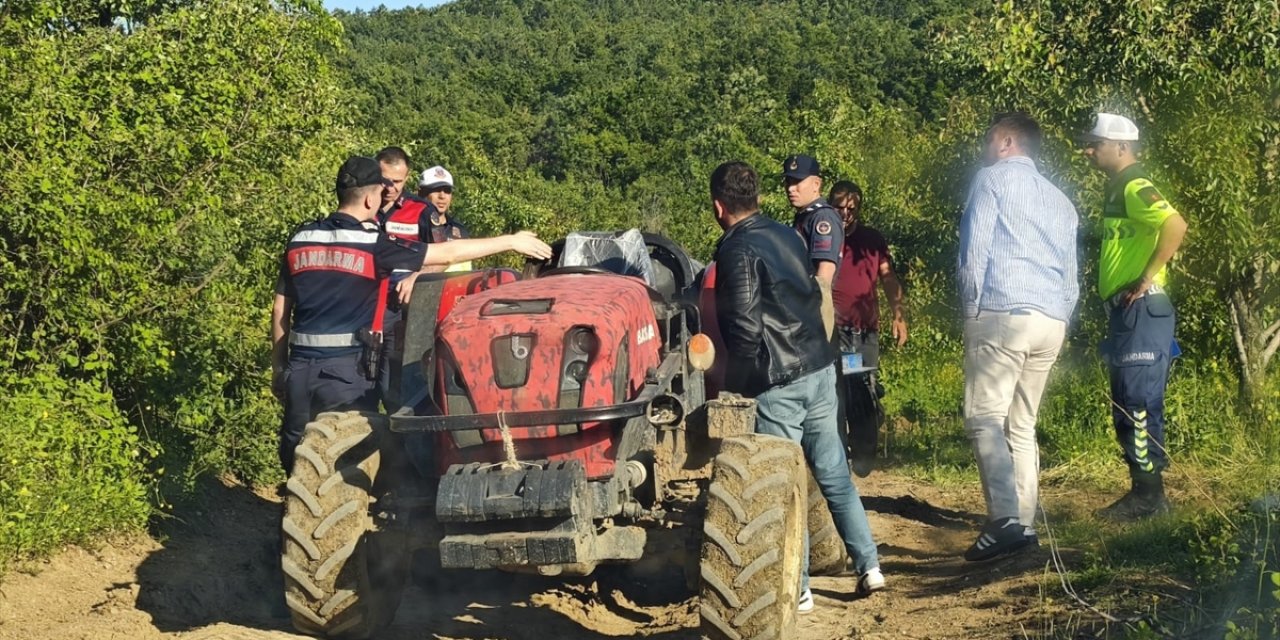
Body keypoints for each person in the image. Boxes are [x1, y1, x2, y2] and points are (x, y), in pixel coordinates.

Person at [271, 156, 552, 473]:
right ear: (368, 198)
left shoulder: (300, 239)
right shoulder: (372, 244)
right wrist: (510, 241)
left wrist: (279, 365)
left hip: (298, 369)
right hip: (345, 376)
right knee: (341, 463)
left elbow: (281, 307)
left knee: (295, 462)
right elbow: (446, 252)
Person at [709, 161, 884, 612]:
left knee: (782, 486)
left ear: (717, 206)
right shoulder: (790, 234)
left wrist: (737, 386)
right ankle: (869, 566)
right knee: (833, 474)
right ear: (759, 197)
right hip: (820, 369)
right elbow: (812, 292)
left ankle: (800, 587)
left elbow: (745, 326)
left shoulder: (737, 248)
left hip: (779, 381)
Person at [957, 113, 1079, 561]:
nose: (985, 148)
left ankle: (1005, 521)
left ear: (1007, 142)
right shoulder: (1061, 200)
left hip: (1003, 310)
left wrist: (971, 311)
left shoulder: (991, 180)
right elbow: (1071, 275)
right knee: (1022, 424)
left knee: (984, 417)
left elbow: (975, 253)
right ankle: (1024, 526)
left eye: (990, 139)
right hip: (1051, 319)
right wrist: (1061, 315)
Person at [1082, 112, 1188, 521]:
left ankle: (1149, 498)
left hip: (1142, 309)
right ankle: (1143, 493)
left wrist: (1145, 278)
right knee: (1128, 401)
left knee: (1138, 403)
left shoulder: (1135, 185)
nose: (1088, 151)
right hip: (1129, 313)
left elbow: (1175, 225)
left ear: (1122, 147)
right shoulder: (1118, 187)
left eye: (1097, 144)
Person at [828, 180, 908, 476]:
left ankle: (864, 448)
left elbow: (888, 277)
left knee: (861, 387)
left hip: (863, 331)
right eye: (839, 206)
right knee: (834, 391)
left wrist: (898, 314)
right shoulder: (823, 236)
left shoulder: (872, 240)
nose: (845, 213)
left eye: (851, 207)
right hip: (830, 331)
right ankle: (835, 456)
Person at [782, 154, 844, 338]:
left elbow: (824, 273)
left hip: (811, 313)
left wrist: (810, 319)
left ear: (816, 184)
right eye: (788, 182)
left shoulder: (822, 218)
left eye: (798, 182)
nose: (791, 188)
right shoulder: (805, 217)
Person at [417, 165, 473, 272]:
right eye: (436, 190)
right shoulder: (412, 227)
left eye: (447, 190)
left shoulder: (460, 230)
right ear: (421, 193)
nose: (442, 196)